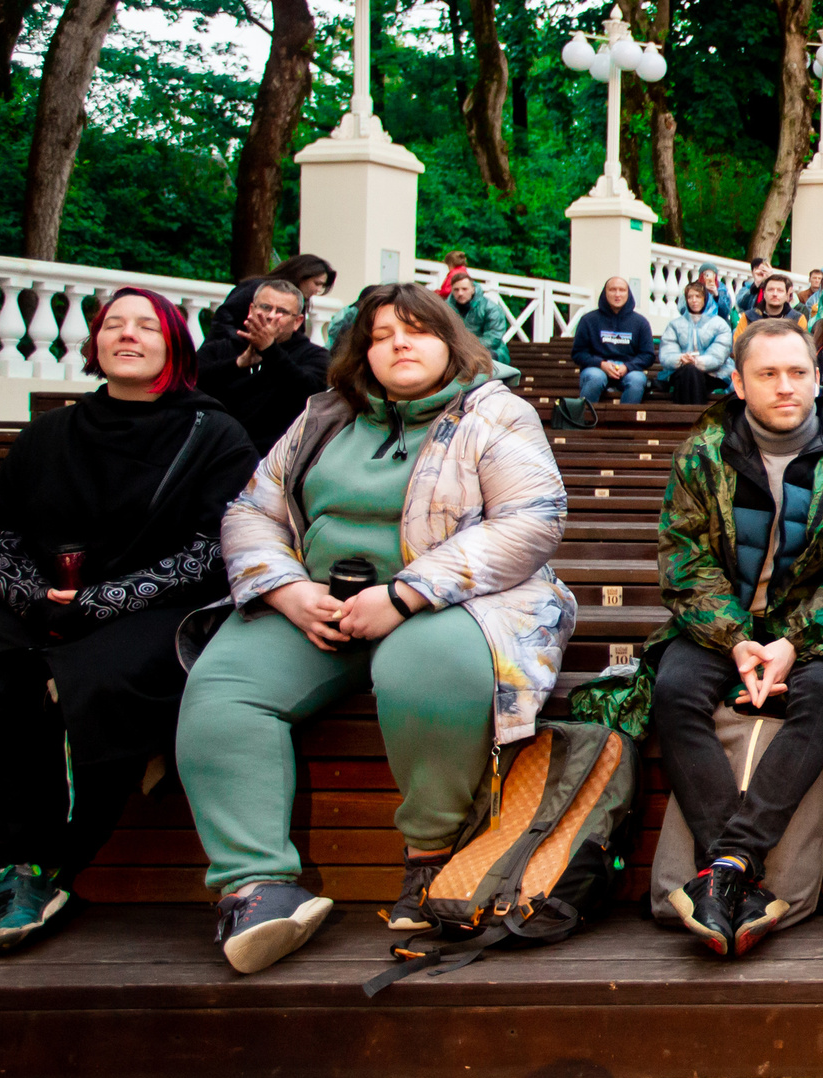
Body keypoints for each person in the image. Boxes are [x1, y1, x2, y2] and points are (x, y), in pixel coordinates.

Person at [175, 285, 574, 975]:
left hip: (454, 602)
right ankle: (257, 884)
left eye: (417, 330)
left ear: (451, 341)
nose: (399, 342)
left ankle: (431, 855)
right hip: (321, 606)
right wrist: (289, 588)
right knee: (223, 686)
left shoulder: (494, 412)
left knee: (422, 669)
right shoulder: (323, 416)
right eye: (382, 332)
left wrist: (407, 592)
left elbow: (532, 518)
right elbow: (251, 509)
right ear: (361, 350)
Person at [0, 290, 257, 956]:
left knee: (85, 687)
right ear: (96, 342)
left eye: (144, 326)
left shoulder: (214, 432)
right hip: (38, 604)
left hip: (155, 609)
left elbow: (214, 543)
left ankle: (44, 869)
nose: (126, 335)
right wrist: (29, 593)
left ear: (174, 345)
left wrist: (109, 599)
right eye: (113, 325)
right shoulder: (53, 431)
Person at [648, 320, 823, 957]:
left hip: (816, 635)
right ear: (738, 382)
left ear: (819, 378)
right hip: (717, 630)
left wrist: (792, 641)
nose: (785, 386)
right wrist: (735, 640)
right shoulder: (702, 456)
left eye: (798, 372)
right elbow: (684, 565)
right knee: (673, 689)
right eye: (768, 374)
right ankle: (738, 879)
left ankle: (725, 866)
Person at [196, 277, 331, 455]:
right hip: (213, 448)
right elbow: (190, 380)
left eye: (281, 311)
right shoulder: (222, 348)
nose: (270, 316)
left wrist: (270, 351)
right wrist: (237, 365)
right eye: (265, 307)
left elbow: (308, 391)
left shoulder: (314, 356)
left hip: (271, 458)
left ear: (297, 321)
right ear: (251, 310)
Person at [207, 254, 336, 342]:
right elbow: (223, 320)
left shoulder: (298, 301)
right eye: (317, 283)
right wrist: (247, 341)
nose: (318, 290)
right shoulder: (255, 288)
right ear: (302, 275)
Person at [572, 276, 656, 407]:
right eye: (612, 290)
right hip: (597, 369)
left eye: (622, 290)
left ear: (628, 293)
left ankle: (623, 423)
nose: (617, 294)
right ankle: (583, 420)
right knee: (595, 377)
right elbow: (578, 353)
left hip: (629, 371)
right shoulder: (588, 320)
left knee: (637, 379)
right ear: (605, 293)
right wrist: (601, 364)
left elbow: (648, 355)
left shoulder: (640, 323)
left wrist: (627, 367)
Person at [662, 281, 735, 405]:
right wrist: (681, 358)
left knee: (691, 372)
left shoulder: (720, 324)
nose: (694, 300)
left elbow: (718, 356)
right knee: (689, 372)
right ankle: (694, 416)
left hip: (714, 374)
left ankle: (684, 416)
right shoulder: (675, 325)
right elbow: (667, 354)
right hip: (682, 370)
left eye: (698, 296)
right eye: (690, 297)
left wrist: (696, 361)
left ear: (705, 299)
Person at [442, 273, 512, 366]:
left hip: (491, 352)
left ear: (473, 289)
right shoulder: (445, 309)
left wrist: (467, 348)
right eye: (456, 290)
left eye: (464, 289)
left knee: (478, 358)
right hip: (457, 351)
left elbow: (493, 338)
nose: (460, 293)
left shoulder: (491, 308)